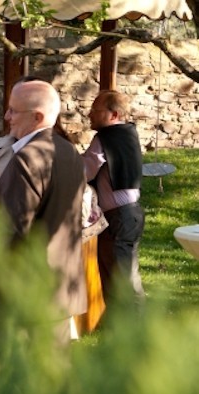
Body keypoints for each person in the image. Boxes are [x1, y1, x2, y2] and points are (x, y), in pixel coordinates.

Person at [0, 80, 87, 346]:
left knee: (15, 370)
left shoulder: (28, 158)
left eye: (14, 111)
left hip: (20, 296)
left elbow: (8, 230)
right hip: (58, 290)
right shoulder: (68, 152)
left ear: (37, 117)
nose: (7, 116)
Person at [83, 90, 145, 317]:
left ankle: (128, 329)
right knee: (127, 276)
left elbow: (84, 171)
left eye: (95, 110)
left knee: (118, 280)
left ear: (114, 114)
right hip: (131, 214)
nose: (89, 114)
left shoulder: (106, 137)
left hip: (119, 217)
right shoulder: (128, 133)